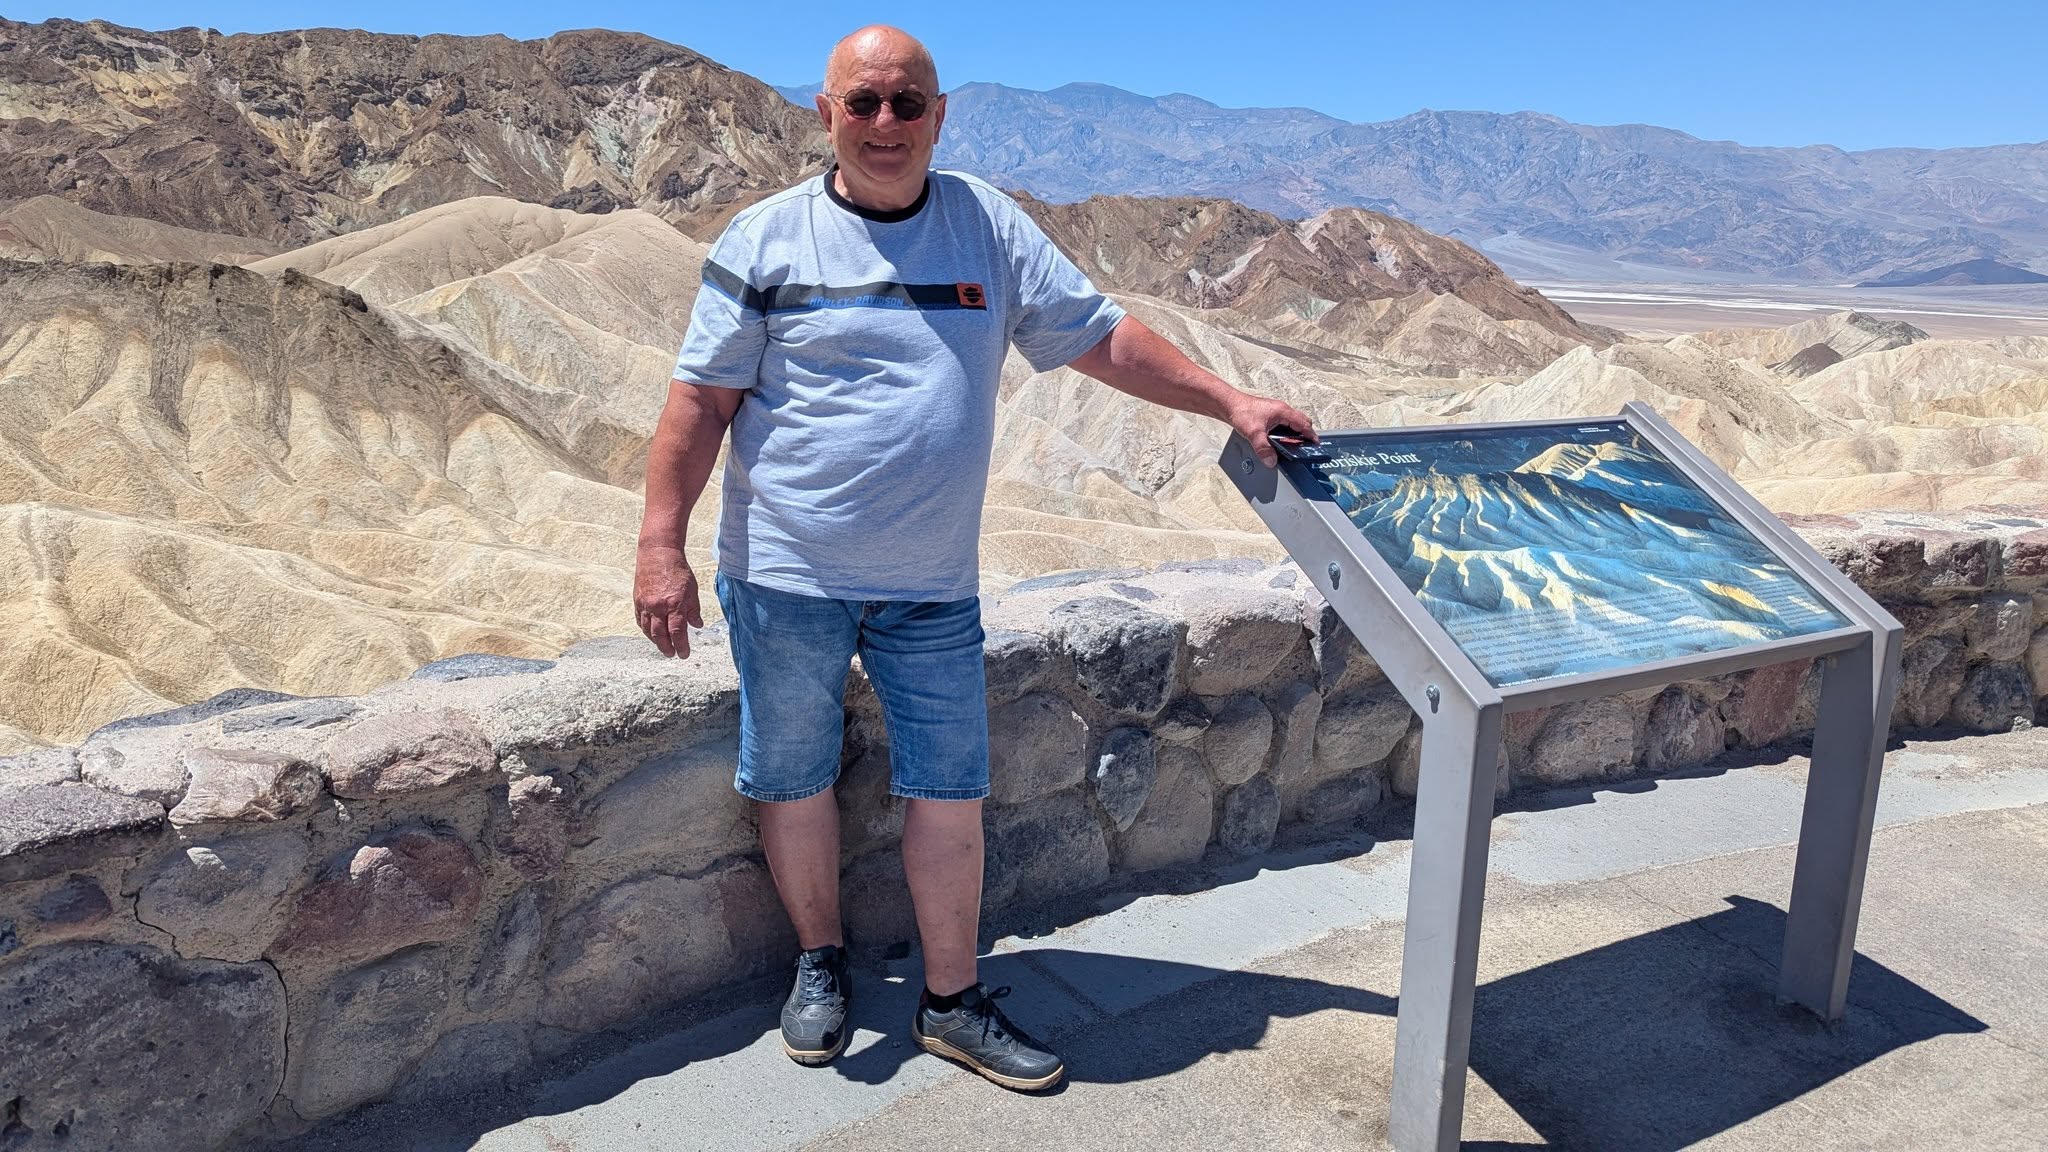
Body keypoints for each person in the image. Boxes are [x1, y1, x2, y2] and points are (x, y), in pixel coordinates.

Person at [634, 24, 1317, 1092]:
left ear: (940, 116)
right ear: (825, 114)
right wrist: (659, 548)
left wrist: (1227, 398)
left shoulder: (986, 227)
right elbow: (699, 405)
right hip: (785, 576)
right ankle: (820, 965)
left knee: (949, 793)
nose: (885, 123)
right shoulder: (764, 239)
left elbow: (1099, 337)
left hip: (932, 587)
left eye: (907, 103)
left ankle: (950, 1003)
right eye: (862, 103)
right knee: (792, 780)